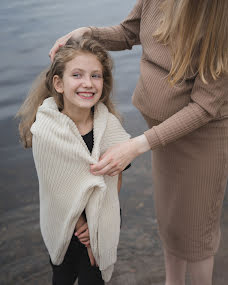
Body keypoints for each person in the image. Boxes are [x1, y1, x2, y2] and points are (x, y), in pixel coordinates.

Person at [49, 0, 228, 285]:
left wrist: (137, 145)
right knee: (170, 221)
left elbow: (205, 108)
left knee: (198, 232)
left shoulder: (220, 15)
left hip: (201, 140)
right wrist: (87, 32)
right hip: (160, 134)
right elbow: (127, 33)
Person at [16, 38, 131, 285]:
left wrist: (95, 226)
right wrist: (82, 229)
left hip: (103, 216)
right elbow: (54, 187)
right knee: (62, 277)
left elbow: (117, 175)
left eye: (96, 76)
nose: (87, 83)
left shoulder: (109, 125)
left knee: (94, 278)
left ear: (104, 82)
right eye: (77, 75)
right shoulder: (45, 130)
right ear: (58, 83)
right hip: (66, 222)